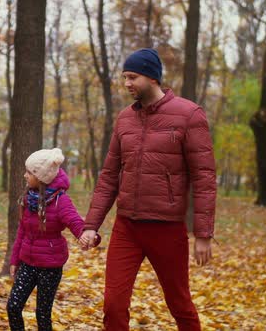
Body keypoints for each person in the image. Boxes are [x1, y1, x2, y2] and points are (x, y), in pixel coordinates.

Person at [79, 48, 217, 330]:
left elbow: (204, 177)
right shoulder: (125, 119)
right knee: (113, 304)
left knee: (179, 303)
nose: (127, 83)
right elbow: (109, 176)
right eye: (124, 77)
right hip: (127, 227)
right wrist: (91, 224)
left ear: (152, 78)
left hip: (167, 228)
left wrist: (203, 234)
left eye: (132, 77)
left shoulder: (189, 115)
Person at [6, 147, 100, 331]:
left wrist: (88, 235)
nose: (25, 176)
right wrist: (14, 260)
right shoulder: (28, 198)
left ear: (41, 177)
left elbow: (75, 221)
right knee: (13, 307)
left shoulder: (60, 201)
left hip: (50, 266)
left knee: (42, 314)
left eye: (29, 172)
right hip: (27, 264)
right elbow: (22, 231)